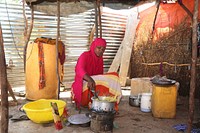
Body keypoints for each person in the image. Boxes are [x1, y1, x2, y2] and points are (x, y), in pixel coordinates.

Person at [71, 38, 122, 110]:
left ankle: (113, 100)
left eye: (103, 49)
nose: (101, 51)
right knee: (109, 78)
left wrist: (93, 81)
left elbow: (99, 76)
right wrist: (90, 79)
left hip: (92, 85)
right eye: (99, 48)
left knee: (114, 76)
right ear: (94, 46)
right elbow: (79, 70)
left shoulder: (100, 60)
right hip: (82, 85)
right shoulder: (85, 55)